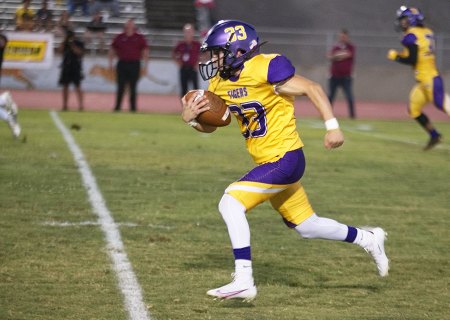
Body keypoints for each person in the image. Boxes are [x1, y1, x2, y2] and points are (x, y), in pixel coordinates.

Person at [181, 20, 389, 301]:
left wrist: (332, 126)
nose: (213, 58)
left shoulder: (266, 67)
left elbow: (312, 88)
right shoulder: (219, 82)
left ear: (237, 50)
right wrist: (192, 120)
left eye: (218, 52)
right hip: (268, 161)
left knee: (230, 202)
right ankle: (369, 238)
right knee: (307, 225)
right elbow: (216, 123)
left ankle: (243, 279)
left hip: (285, 158)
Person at [387, 6, 450, 150]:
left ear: (411, 20)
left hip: (430, 79)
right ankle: (434, 135)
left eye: (404, 19)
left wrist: (395, 56)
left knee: (442, 104)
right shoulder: (427, 32)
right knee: (414, 109)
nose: (402, 23)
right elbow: (415, 54)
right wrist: (400, 55)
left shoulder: (411, 35)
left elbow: (412, 59)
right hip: (424, 80)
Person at [108, 19, 149, 112]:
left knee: (133, 87)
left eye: (131, 25)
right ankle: (117, 107)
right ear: (125, 26)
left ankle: (133, 108)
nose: (129, 27)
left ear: (134, 26)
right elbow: (112, 50)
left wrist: (145, 65)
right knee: (120, 86)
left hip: (134, 64)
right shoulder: (119, 37)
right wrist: (110, 63)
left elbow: (145, 51)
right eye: (127, 25)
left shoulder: (139, 37)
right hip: (122, 64)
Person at [327, 29, 356, 119]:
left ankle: (352, 116)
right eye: (341, 36)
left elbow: (348, 54)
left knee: (349, 96)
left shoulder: (351, 47)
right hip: (334, 76)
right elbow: (330, 56)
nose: (342, 38)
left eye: (344, 36)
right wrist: (338, 56)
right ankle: (327, 114)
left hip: (346, 77)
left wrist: (337, 56)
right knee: (330, 97)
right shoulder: (335, 47)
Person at [58, 30, 85, 111]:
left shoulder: (79, 43)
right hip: (66, 67)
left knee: (78, 87)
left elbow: (80, 53)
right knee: (65, 86)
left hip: (75, 67)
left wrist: (73, 45)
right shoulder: (65, 43)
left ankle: (81, 105)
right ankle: (65, 105)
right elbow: (60, 51)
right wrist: (64, 41)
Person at [172, 23, 201, 97]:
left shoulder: (197, 44)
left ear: (193, 32)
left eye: (190, 31)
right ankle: (185, 107)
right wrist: (178, 62)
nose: (188, 33)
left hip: (193, 69)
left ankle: (196, 107)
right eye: (186, 31)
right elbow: (173, 55)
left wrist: (199, 63)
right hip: (183, 68)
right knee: (183, 89)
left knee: (195, 89)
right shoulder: (180, 44)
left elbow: (205, 54)